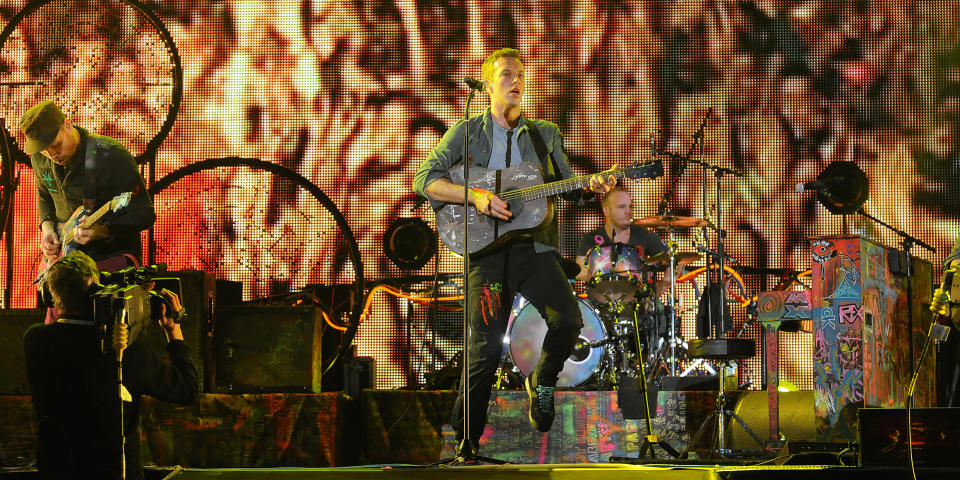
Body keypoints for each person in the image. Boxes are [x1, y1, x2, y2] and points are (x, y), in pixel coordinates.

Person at [412, 48, 617, 462]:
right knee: (484, 348)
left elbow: (567, 185)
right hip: (484, 252)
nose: (515, 81)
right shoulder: (467, 132)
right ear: (488, 84)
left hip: (534, 247)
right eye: (506, 74)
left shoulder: (544, 134)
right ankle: (466, 446)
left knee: (569, 319)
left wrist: (591, 185)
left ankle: (542, 380)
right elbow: (425, 180)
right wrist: (476, 196)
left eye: (520, 74)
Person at [23, 251, 199, 479]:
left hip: (57, 471)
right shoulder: (123, 350)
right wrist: (173, 330)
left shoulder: (34, 340)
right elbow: (186, 389)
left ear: (51, 296)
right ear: (97, 293)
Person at [20, 101, 155, 271]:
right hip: (66, 266)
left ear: (68, 125)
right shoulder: (40, 159)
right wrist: (47, 229)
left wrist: (103, 230)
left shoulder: (110, 156)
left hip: (111, 260)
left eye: (56, 145)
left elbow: (145, 214)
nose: (52, 154)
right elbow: (44, 197)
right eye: (44, 150)